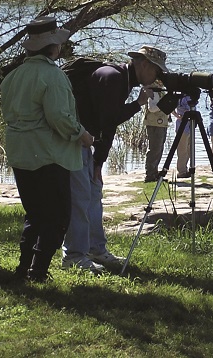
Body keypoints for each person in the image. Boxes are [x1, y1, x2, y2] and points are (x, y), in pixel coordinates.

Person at [0, 16, 94, 281]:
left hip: (20, 153)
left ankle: (23, 267)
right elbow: (60, 117)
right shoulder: (53, 75)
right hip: (48, 156)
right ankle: (38, 270)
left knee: (35, 214)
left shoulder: (13, 76)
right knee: (58, 216)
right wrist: (82, 135)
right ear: (52, 47)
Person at [63, 44, 167, 272]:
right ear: (144, 65)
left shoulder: (122, 79)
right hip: (72, 140)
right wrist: (138, 104)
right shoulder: (113, 78)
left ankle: (95, 249)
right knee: (81, 199)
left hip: (84, 142)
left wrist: (98, 163)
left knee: (93, 194)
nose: (156, 76)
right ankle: (74, 256)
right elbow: (108, 121)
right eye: (156, 71)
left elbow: (105, 124)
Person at [143, 85, 169, 182]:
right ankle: (150, 174)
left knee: (159, 149)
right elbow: (152, 108)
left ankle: (155, 173)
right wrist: (164, 104)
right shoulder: (153, 92)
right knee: (154, 148)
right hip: (154, 124)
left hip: (161, 124)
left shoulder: (161, 91)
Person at [173, 95, 194, 178]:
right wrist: (176, 115)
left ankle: (187, 168)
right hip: (181, 125)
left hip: (190, 125)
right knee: (182, 149)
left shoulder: (191, 95)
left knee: (189, 149)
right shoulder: (179, 96)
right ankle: (181, 171)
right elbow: (170, 106)